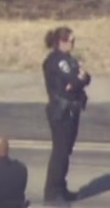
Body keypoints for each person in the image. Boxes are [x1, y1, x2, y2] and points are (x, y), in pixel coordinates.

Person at [41, 25, 90, 206]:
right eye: (71, 41)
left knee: (66, 152)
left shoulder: (69, 60)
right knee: (60, 152)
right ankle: (52, 192)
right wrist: (78, 80)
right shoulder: (56, 61)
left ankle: (61, 186)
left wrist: (80, 79)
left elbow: (85, 78)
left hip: (72, 109)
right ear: (61, 42)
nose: (73, 44)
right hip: (61, 111)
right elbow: (73, 80)